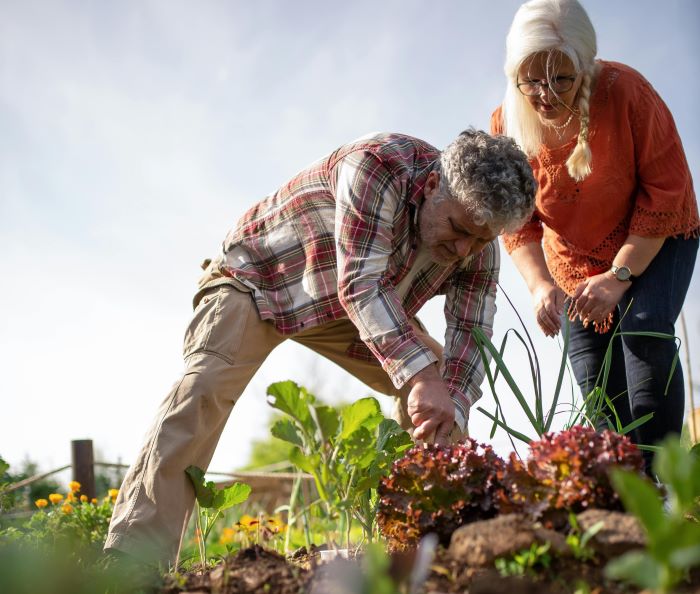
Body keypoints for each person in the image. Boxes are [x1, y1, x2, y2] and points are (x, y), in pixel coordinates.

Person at [104, 129, 536, 566]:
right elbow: (361, 284)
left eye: (481, 240)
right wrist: (421, 375)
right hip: (263, 281)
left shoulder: (478, 245)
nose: (465, 248)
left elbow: (471, 331)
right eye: (458, 229)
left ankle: (430, 548)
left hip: (352, 314)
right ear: (430, 188)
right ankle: (134, 560)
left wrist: (451, 406)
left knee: (441, 398)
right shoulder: (378, 166)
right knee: (204, 387)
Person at [491, 0, 699, 474]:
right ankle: (624, 496)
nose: (544, 94)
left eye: (561, 79)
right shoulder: (506, 123)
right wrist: (541, 285)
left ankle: (667, 485)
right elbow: (516, 219)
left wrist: (620, 275)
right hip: (575, 261)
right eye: (531, 80)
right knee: (593, 371)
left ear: (585, 67)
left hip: (655, 234)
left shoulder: (626, 91)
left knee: (642, 331)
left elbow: (666, 194)